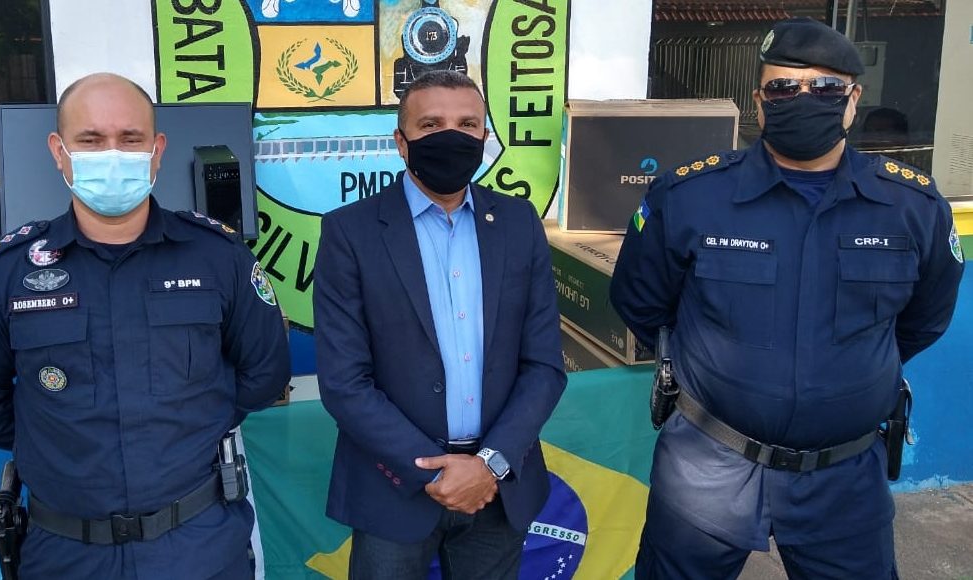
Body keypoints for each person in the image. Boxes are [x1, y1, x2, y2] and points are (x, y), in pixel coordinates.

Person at [610, 18, 963, 579]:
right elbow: (642, 303)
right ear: (759, 102)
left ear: (853, 100)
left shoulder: (911, 208)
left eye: (824, 88)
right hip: (708, 467)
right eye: (782, 88)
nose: (803, 99)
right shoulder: (691, 196)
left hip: (844, 479)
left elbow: (923, 320)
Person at [0, 73, 291, 579]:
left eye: (130, 139)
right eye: (90, 140)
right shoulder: (5, 273)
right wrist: (55, 441)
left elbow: (263, 373)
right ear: (59, 152)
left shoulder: (220, 258)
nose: (112, 154)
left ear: (157, 150)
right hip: (65, 555)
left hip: (197, 547)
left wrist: (193, 422)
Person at [313, 70, 566, 579]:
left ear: (484, 137)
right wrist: (432, 473)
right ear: (400, 142)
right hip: (393, 488)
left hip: (498, 489)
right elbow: (345, 382)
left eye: (467, 124)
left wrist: (489, 464)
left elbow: (543, 366)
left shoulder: (519, 224)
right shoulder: (350, 232)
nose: (451, 136)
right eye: (431, 124)